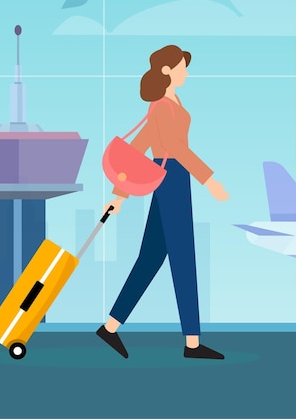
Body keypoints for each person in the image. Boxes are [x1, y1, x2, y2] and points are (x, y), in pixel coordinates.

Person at [96, 44, 229, 359]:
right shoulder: (162, 107)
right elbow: (174, 149)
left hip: (170, 179)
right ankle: (192, 343)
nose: (186, 72)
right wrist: (209, 180)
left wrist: (121, 194)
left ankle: (110, 327)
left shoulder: (170, 102)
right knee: (183, 259)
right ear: (168, 71)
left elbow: (138, 146)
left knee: (151, 258)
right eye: (182, 67)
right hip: (172, 179)